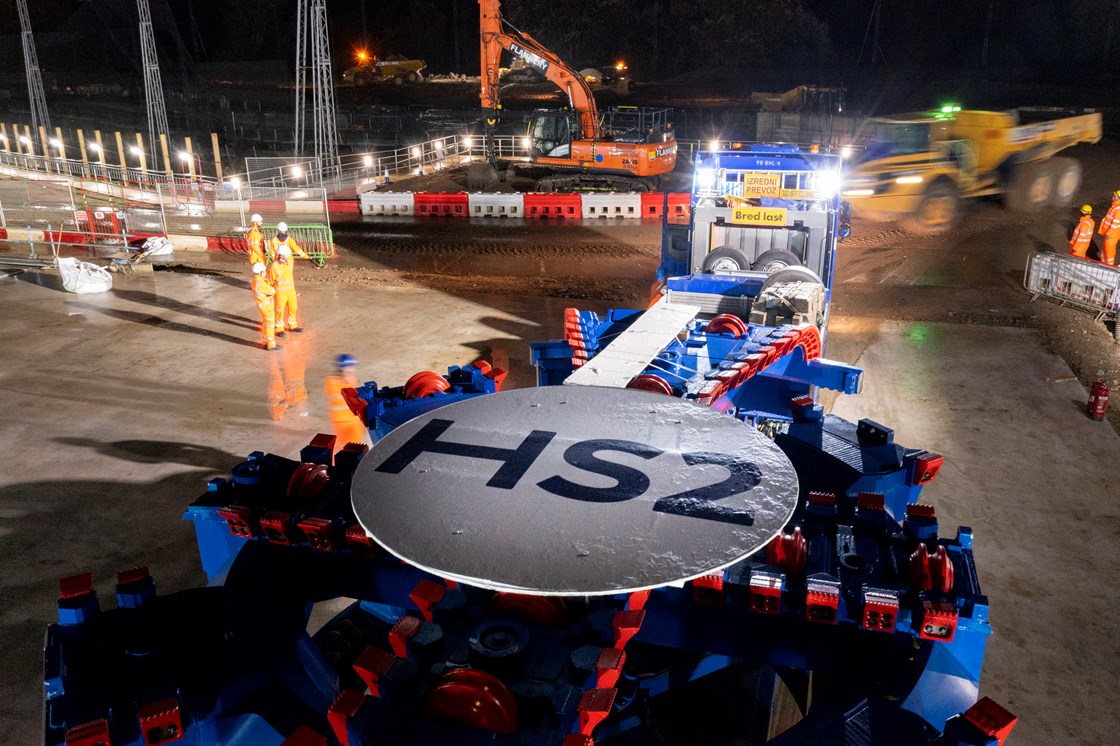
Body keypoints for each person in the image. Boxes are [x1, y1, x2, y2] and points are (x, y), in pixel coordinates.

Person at [324, 354, 368, 454]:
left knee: (356, 446)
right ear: (342, 368)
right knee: (344, 448)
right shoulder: (332, 381)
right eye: (351, 367)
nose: (353, 370)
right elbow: (338, 397)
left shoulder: (351, 379)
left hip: (354, 420)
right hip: (342, 422)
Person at [267, 245, 303, 336]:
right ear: (282, 255)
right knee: (280, 311)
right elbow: (271, 280)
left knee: (293, 308)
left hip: (291, 291)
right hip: (280, 293)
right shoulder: (274, 266)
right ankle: (279, 329)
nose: (289, 256)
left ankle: (293, 326)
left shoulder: (289, 262)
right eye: (287, 255)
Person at [250, 262, 281, 351]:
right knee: (270, 324)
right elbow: (272, 291)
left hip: (262, 307)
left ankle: (265, 341)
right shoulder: (261, 283)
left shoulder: (256, 280)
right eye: (264, 271)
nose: (265, 272)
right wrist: (274, 285)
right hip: (267, 307)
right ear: (260, 272)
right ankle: (271, 345)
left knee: (265, 324)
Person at [1098, 190, 1120, 266]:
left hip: (1111, 236)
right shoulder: (1115, 207)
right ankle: (1103, 264)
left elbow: (1115, 224)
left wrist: (1109, 234)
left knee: (1109, 253)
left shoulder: (1118, 210)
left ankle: (1109, 268)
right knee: (1105, 251)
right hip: (1109, 234)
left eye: (1115, 196)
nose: (1113, 197)